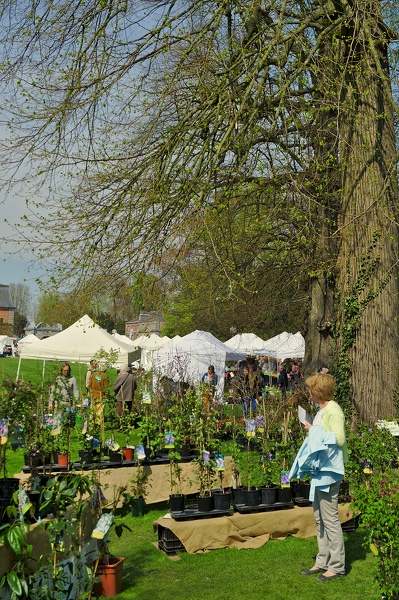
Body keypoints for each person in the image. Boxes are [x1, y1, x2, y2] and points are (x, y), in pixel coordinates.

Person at [289, 372, 347, 581]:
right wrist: (312, 429)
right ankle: (322, 561)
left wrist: (313, 430)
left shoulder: (334, 411)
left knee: (330, 519)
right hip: (320, 471)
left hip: (330, 472)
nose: (309, 392)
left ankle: (337, 565)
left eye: (311, 389)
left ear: (317, 391)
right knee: (319, 518)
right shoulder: (323, 409)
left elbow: (339, 439)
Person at [87, 362, 109, 428]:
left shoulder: (93, 375)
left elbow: (89, 386)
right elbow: (106, 387)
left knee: (92, 410)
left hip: (93, 394)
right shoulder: (104, 376)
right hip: (101, 395)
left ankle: (91, 424)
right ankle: (98, 425)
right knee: (100, 411)